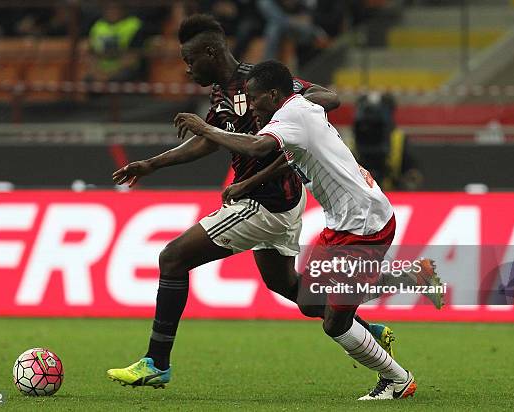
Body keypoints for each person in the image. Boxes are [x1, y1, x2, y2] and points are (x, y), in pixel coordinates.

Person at [107, 14, 396, 390]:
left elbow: (329, 97)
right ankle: (361, 328)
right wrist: (153, 163)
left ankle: (156, 362)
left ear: (211, 52)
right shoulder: (220, 94)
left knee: (173, 258)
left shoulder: (258, 81)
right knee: (288, 285)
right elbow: (209, 139)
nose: (188, 68)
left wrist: (293, 107)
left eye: (191, 60)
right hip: (279, 196)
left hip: (264, 200)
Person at [173, 60, 419, 400]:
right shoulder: (302, 107)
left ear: (274, 94)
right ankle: (393, 283)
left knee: (335, 323)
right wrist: (249, 184)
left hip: (362, 223)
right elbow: (290, 156)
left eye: (255, 97)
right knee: (310, 299)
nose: (251, 105)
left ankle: (397, 379)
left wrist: (206, 128)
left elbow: (258, 147)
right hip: (351, 218)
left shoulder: (290, 117)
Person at [352, 92, 422, 191]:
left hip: (391, 192)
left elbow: (412, 172)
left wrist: (408, 178)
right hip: (360, 192)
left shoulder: (399, 139)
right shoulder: (350, 139)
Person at [86, 1, 146, 83]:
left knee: (119, 78)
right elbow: (91, 55)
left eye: (115, 8)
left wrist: (109, 75)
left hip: (124, 69)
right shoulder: (97, 26)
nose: (112, 11)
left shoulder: (134, 25)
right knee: (88, 80)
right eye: (109, 8)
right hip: (101, 70)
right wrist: (96, 72)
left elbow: (133, 57)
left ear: (123, 9)